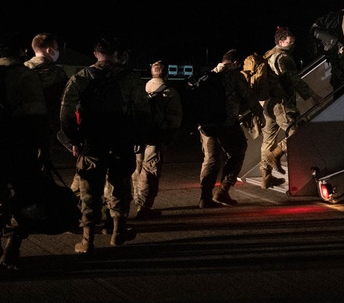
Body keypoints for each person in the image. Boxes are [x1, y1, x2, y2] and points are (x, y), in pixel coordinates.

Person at [59, 37, 150, 254]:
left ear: (95, 53)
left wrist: (74, 140)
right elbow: (143, 112)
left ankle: (87, 240)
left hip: (91, 144)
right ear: (118, 54)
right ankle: (118, 233)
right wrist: (139, 139)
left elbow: (65, 113)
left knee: (89, 190)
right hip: (121, 142)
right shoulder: (131, 78)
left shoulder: (81, 77)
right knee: (119, 186)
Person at [0, 33, 49, 270]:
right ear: (21, 52)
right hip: (22, 149)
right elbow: (37, 116)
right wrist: (43, 150)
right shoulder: (27, 76)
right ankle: (12, 246)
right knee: (24, 197)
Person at [196, 50, 263, 208]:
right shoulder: (234, 76)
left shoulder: (208, 75)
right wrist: (260, 114)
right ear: (235, 63)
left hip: (206, 125)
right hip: (227, 125)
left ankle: (205, 197)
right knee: (239, 151)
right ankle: (223, 191)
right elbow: (249, 98)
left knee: (211, 159)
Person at [260, 27, 321, 188]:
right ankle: (276, 154)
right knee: (296, 132)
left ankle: (266, 176)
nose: (292, 45)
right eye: (290, 42)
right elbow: (294, 80)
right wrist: (313, 95)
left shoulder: (268, 54)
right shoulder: (283, 57)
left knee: (267, 140)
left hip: (267, 104)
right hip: (281, 104)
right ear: (281, 42)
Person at [132, 59, 183, 219]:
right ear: (167, 73)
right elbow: (175, 119)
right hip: (156, 137)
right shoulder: (170, 92)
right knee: (150, 171)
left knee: (137, 169)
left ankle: (137, 199)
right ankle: (144, 207)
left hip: (139, 136)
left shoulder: (142, 88)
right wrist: (169, 136)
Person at [23, 32, 69, 168]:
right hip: (46, 123)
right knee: (43, 160)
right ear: (49, 50)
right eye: (57, 48)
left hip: (23, 121)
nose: (58, 51)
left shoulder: (23, 68)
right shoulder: (57, 73)